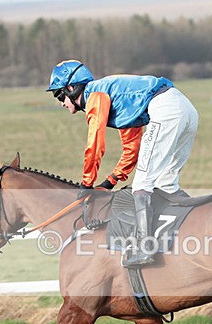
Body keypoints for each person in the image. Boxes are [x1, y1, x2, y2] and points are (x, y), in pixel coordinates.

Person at [47, 59, 199, 267]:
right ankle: (190, 233)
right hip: (186, 108)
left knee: (142, 185)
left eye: (59, 95)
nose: (61, 103)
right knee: (167, 183)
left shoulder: (95, 96)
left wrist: (86, 183)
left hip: (166, 109)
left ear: (71, 88)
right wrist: (111, 181)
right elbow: (131, 148)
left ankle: (145, 249)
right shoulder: (118, 99)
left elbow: (95, 143)